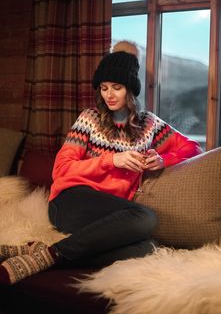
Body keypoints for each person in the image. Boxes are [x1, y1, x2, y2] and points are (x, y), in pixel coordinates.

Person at [0, 41, 202, 285]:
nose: (109, 94)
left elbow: (192, 147)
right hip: (70, 202)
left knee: (146, 248)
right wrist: (111, 160)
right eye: (104, 87)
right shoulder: (89, 119)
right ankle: (50, 255)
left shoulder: (149, 124)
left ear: (130, 89)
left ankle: (44, 252)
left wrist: (162, 159)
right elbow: (61, 169)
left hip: (111, 213)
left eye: (116, 87)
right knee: (146, 218)